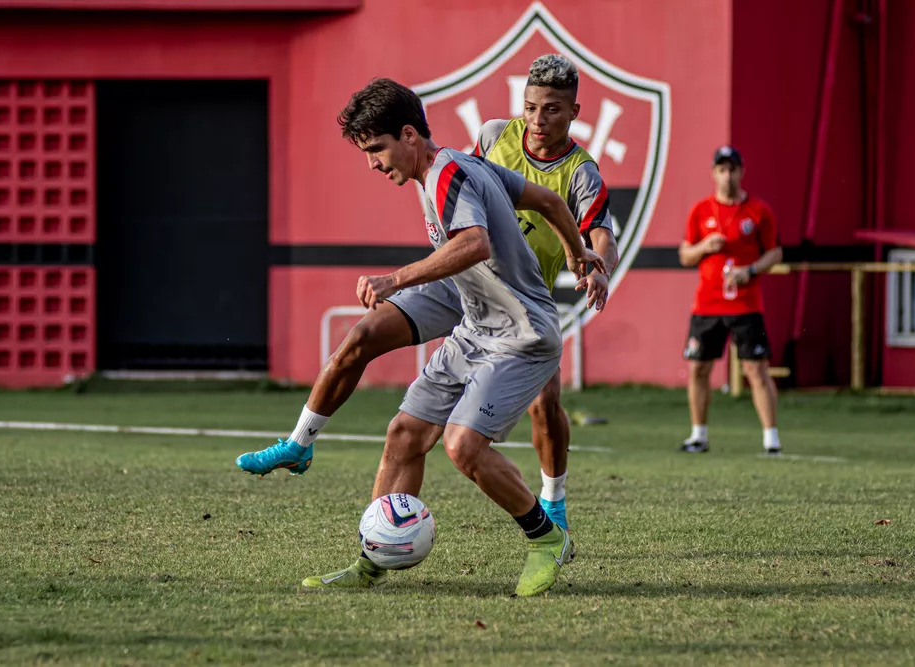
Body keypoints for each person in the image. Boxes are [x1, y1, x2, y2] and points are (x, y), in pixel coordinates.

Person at [236, 55, 618, 533]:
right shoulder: (492, 138)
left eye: (552, 110)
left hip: (518, 299)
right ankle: (300, 442)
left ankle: (552, 501)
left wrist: (589, 262)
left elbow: (582, 225)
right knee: (365, 333)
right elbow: (475, 208)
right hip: (461, 281)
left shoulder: (580, 170)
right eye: (531, 107)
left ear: (574, 112)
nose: (538, 120)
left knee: (543, 403)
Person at [302, 78, 604, 596]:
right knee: (404, 435)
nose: (373, 163)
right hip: (477, 327)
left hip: (522, 336)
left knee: (463, 445)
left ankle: (546, 538)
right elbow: (551, 202)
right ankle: (372, 561)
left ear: (408, 135)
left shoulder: (447, 175)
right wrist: (577, 253)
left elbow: (475, 244)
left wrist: (394, 279)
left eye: (377, 149)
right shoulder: (463, 164)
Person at [678, 146, 783, 455]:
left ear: (741, 172)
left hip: (746, 305)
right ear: (713, 174)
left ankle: (771, 439)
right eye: (721, 170)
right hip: (707, 304)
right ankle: (698, 435)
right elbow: (685, 255)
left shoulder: (758, 211)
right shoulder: (701, 210)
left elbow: (775, 252)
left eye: (732, 169)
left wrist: (749, 270)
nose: (727, 176)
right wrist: (705, 247)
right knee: (699, 368)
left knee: (756, 370)